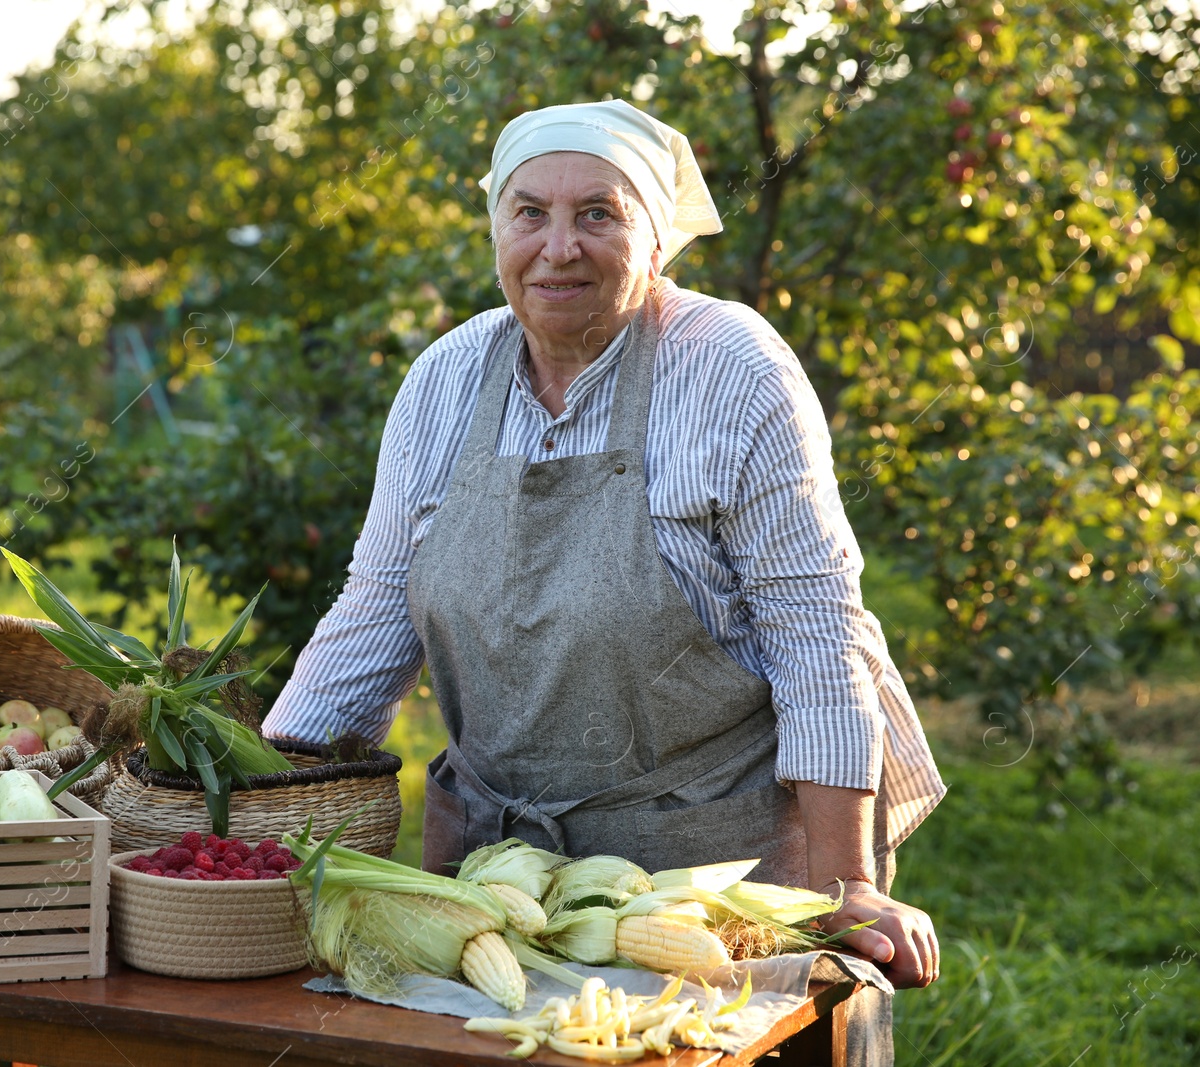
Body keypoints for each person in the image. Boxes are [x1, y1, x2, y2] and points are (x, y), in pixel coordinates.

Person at [262, 99, 944, 991]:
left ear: (655, 241)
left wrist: (844, 882)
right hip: (494, 890)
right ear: (495, 231)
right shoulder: (444, 378)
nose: (559, 245)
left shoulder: (730, 368)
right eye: (529, 212)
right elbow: (377, 609)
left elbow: (816, 633)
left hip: (708, 883)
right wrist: (250, 807)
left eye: (598, 213)